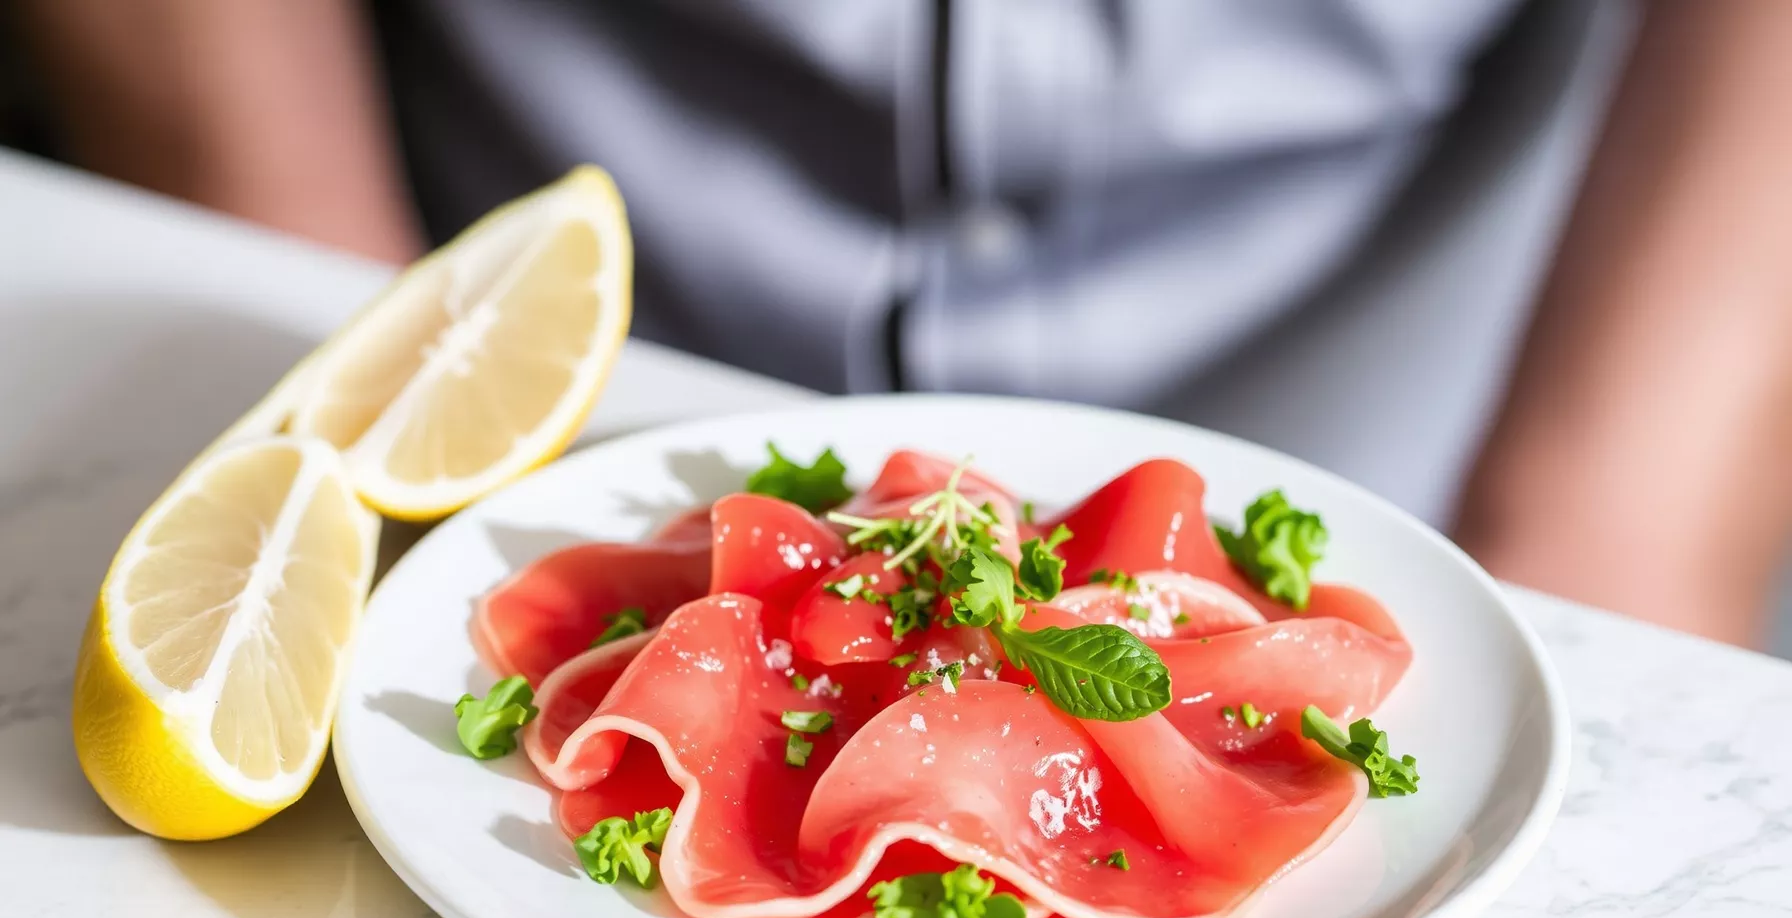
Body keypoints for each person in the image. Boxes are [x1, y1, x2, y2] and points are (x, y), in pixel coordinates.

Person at [15, 0, 1792, 647]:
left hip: (1405, 363)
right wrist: (331, 332)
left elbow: (1624, 531)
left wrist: (1620, 540)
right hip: (524, 300)